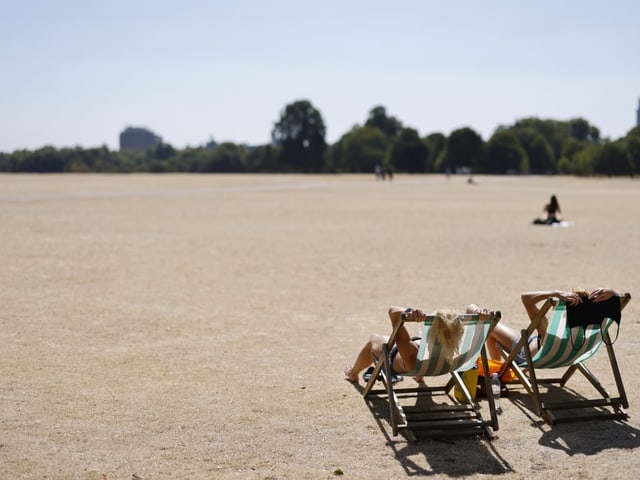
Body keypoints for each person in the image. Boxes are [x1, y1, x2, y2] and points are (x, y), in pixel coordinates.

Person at [344, 304, 495, 384]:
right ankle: (420, 376)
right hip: (443, 365)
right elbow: (471, 306)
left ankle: (353, 373)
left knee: (375, 339)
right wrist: (479, 311)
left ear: (429, 332)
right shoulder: (461, 351)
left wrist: (410, 312)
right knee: (421, 348)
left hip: (410, 363)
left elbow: (393, 311)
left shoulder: (412, 355)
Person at [485, 288, 620, 365]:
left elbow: (525, 298)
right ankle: (497, 369)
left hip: (523, 352)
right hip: (568, 357)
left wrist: (554, 293)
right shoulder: (592, 329)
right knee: (497, 333)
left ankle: (497, 372)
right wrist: (613, 293)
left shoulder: (549, 333)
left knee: (489, 325)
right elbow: (617, 303)